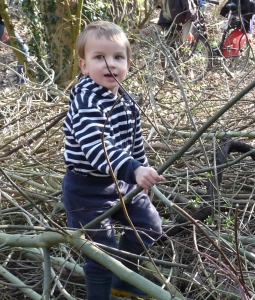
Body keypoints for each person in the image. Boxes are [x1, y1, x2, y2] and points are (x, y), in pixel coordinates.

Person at [61, 21, 165, 299]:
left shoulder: (126, 101)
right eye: (100, 57)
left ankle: (124, 276)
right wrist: (133, 169)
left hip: (123, 182)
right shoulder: (86, 101)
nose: (110, 64)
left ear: (128, 63)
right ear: (84, 66)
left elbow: (133, 143)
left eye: (118, 57)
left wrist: (141, 176)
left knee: (149, 226)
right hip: (87, 191)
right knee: (100, 256)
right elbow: (97, 147)